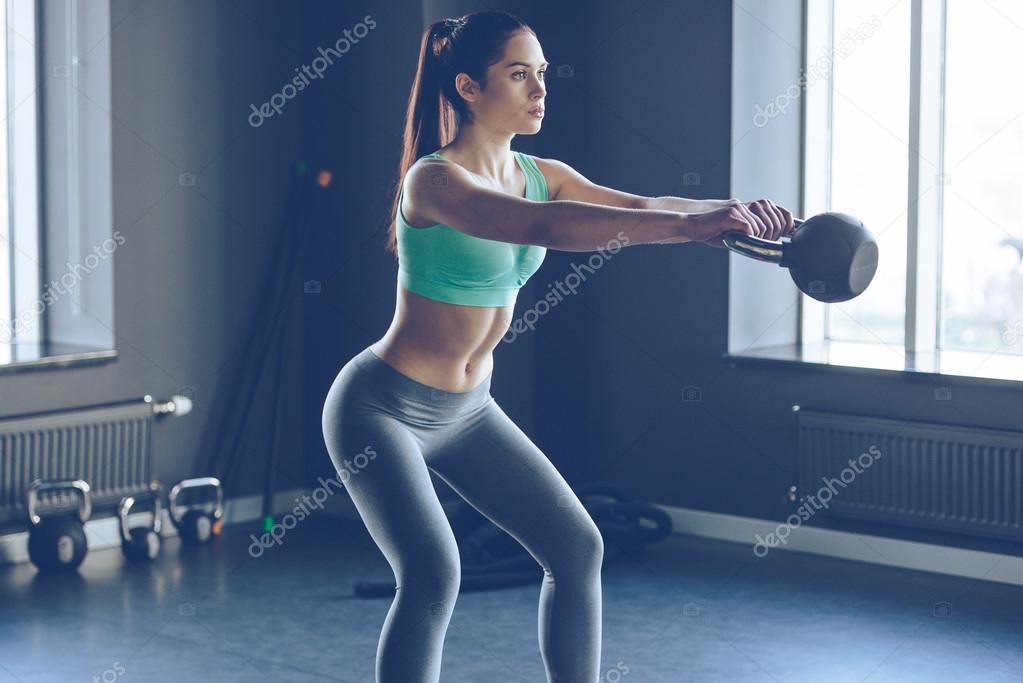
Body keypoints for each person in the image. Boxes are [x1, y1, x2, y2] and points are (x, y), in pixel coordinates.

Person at [321, 10, 794, 683]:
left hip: (468, 411)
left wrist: (741, 214)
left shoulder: (540, 170)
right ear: (468, 87)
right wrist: (692, 226)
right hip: (381, 408)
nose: (540, 88)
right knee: (431, 572)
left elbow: (637, 205)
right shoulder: (434, 182)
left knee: (575, 547)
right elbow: (543, 225)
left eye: (540, 73)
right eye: (519, 74)